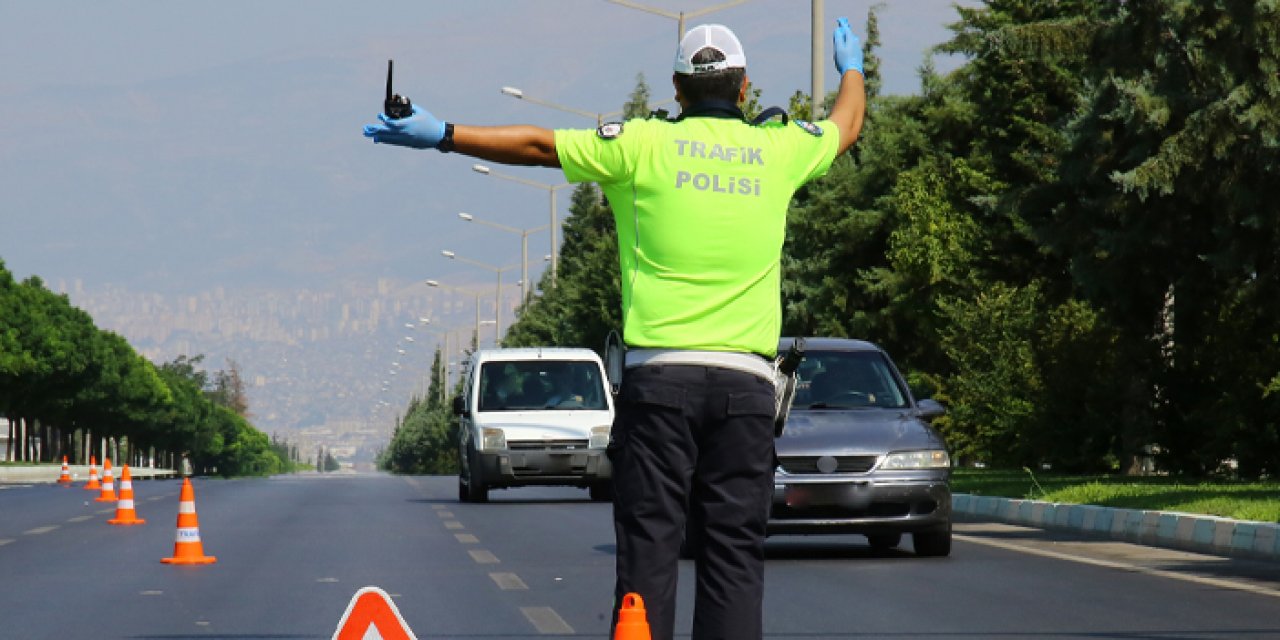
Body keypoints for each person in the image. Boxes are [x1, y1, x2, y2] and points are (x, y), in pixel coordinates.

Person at [363, 18, 865, 640]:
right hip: (746, 392)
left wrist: (443, 135)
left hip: (659, 390)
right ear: (744, 89)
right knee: (734, 556)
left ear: (678, 89)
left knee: (649, 549)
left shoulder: (641, 144)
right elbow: (847, 125)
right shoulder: (781, 150)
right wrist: (852, 67)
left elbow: (539, 147)